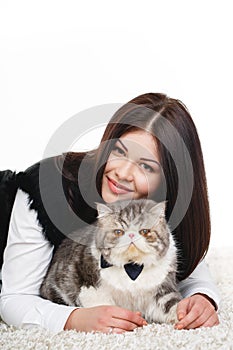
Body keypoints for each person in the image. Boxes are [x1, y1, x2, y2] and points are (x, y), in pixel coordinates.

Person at [0, 93, 220, 334]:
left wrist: (202, 298)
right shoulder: (47, 187)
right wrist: (74, 318)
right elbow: (14, 298)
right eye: (119, 152)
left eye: (146, 166)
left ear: (169, 182)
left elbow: (193, 272)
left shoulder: (159, 209)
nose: (123, 173)